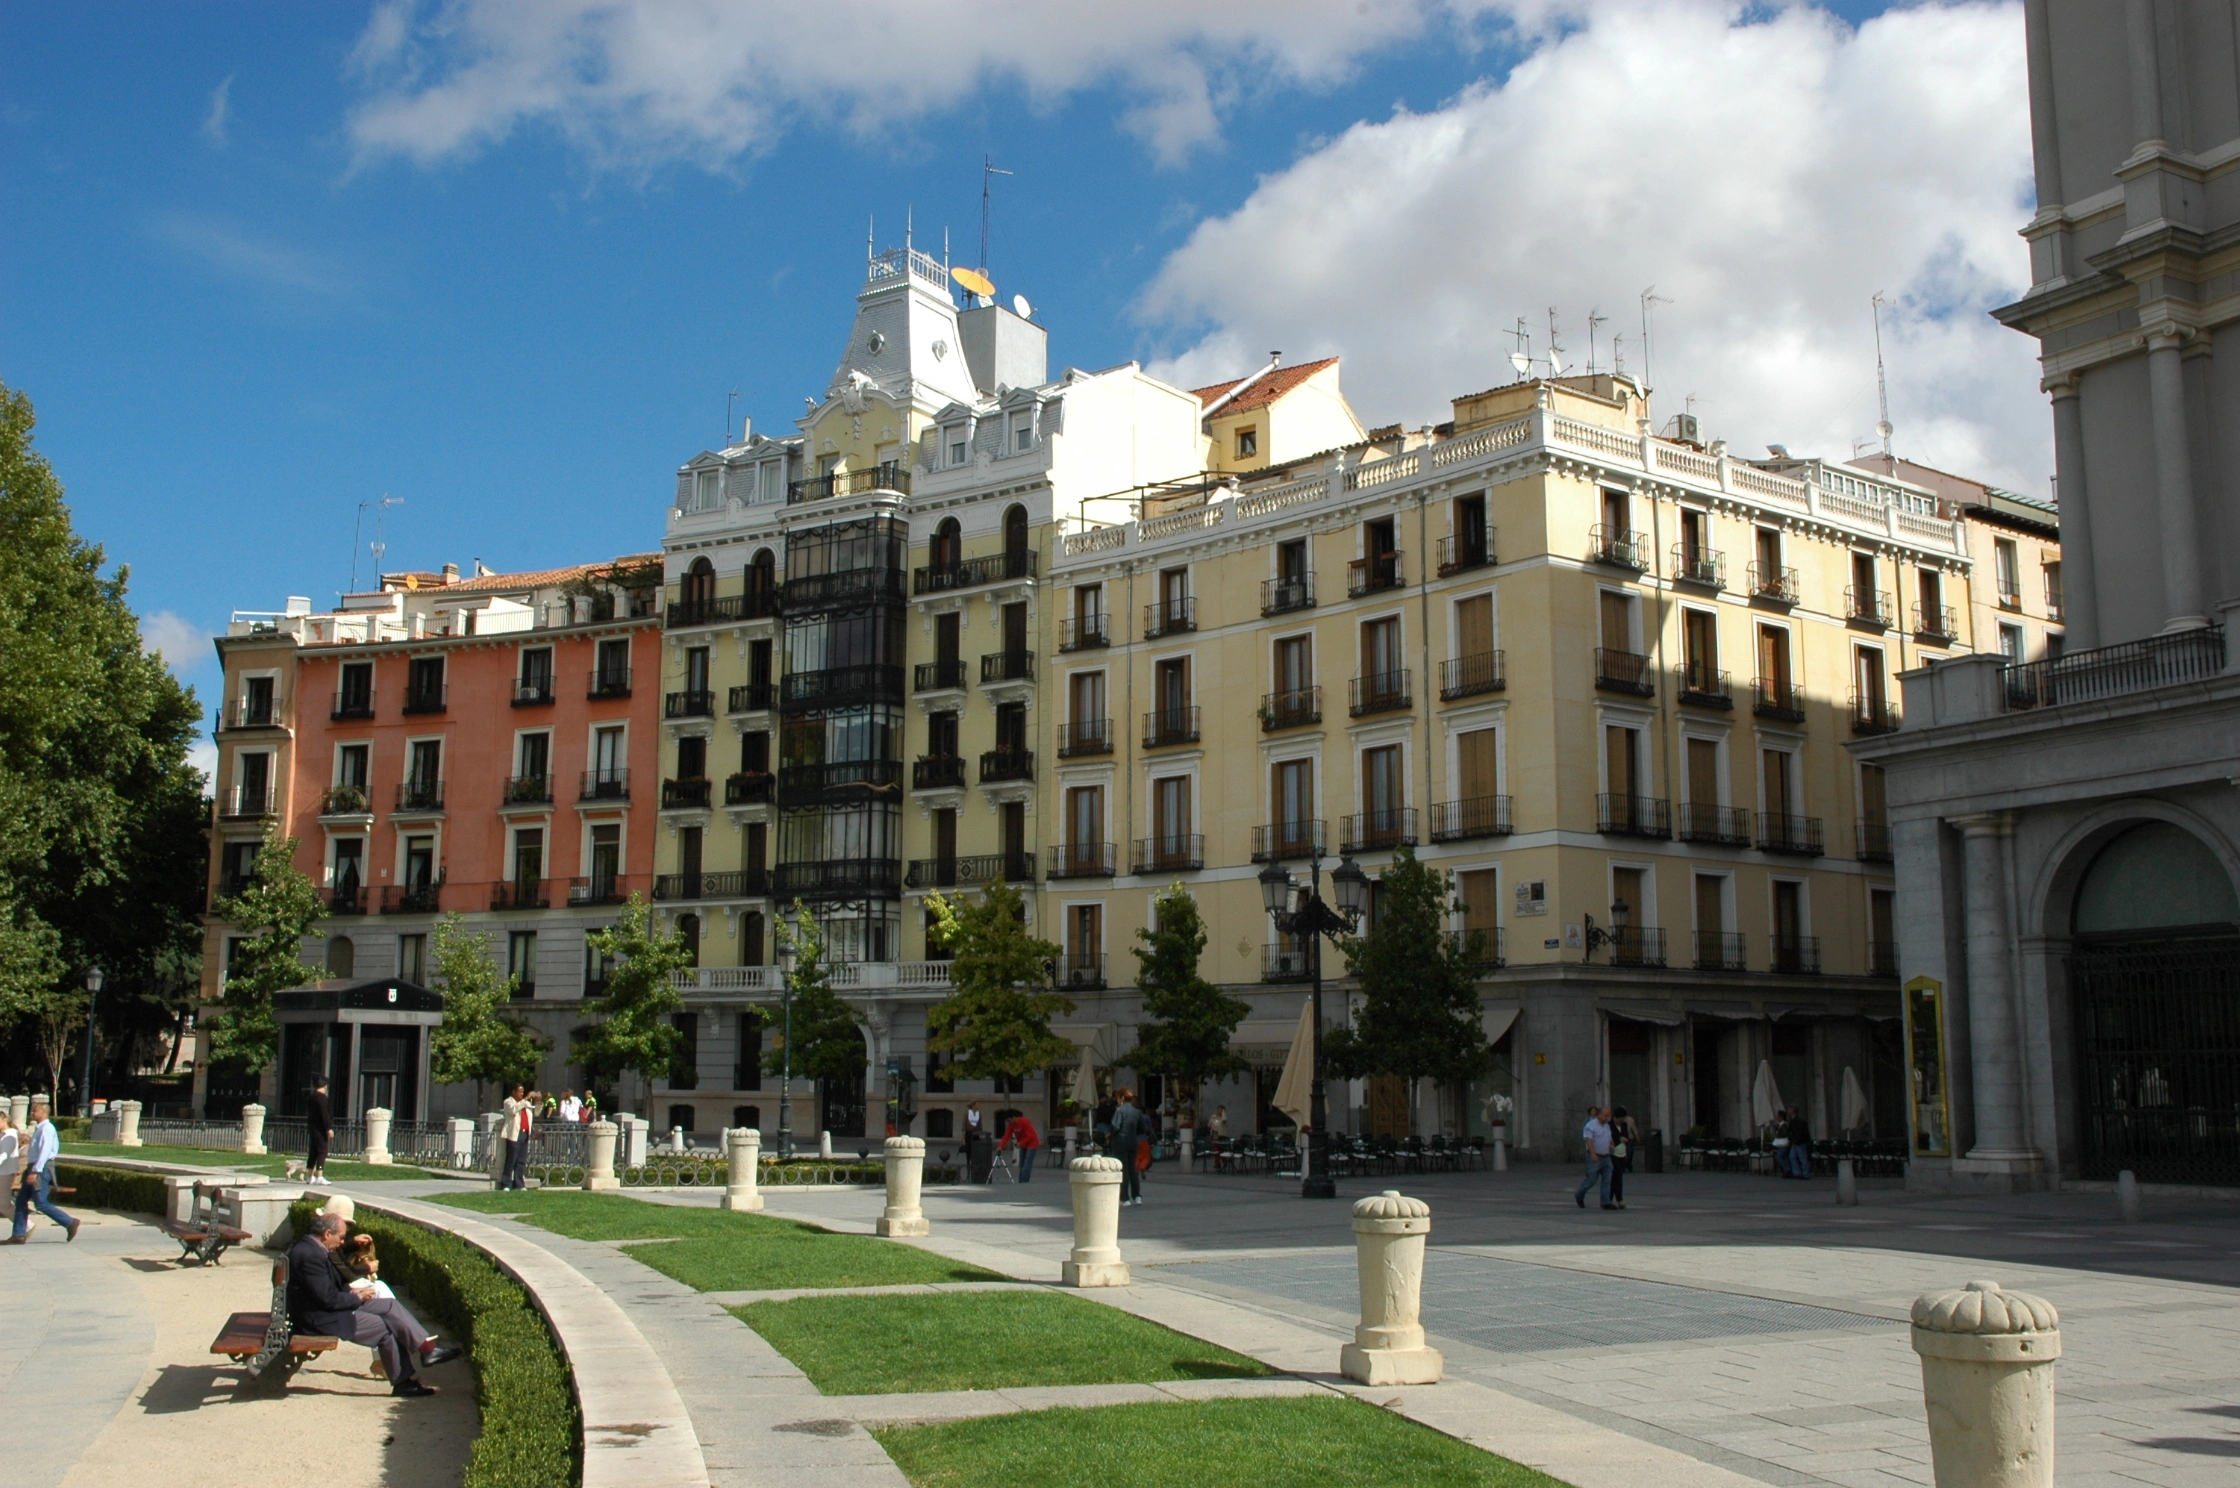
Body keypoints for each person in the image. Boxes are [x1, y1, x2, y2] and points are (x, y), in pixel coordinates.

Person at [288, 1212, 460, 1396]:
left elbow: (327, 1289)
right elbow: (327, 1299)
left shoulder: (313, 1247)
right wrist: (356, 1298)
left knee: (389, 1305)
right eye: (341, 1238)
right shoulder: (310, 1256)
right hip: (320, 1319)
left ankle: (427, 1350)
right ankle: (403, 1382)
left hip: (324, 1309)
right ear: (327, 1234)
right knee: (385, 1328)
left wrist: (355, 1293)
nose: (342, 1242)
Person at [8, 1098, 79, 1243]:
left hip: (40, 1168)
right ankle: (19, 1234)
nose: (32, 1112)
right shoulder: (39, 1128)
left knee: (40, 1202)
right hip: (33, 1167)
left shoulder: (47, 1129)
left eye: (36, 1110)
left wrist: (35, 1171)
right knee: (21, 1201)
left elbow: (45, 1152)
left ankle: (69, 1222)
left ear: (44, 1112)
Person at [1574, 1104, 1615, 1211]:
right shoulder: (1590, 1126)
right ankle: (1579, 1194)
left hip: (1606, 1156)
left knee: (1607, 1180)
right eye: (1605, 1116)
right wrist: (1593, 1153)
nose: (1607, 1118)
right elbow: (1589, 1140)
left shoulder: (1607, 1126)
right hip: (1596, 1156)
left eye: (1608, 1116)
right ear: (1599, 1115)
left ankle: (1605, 1202)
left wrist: (1611, 1145)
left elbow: (1609, 1138)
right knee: (1591, 1180)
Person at [1110, 1088, 1148, 1206]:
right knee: (1133, 1169)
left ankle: (1125, 1198)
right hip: (1133, 1142)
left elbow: (1115, 1127)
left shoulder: (1119, 1111)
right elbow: (1143, 1128)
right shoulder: (1137, 1112)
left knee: (1124, 1170)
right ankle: (1137, 1196)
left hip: (1121, 1142)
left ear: (1121, 1098)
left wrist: (1110, 1134)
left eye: (1117, 1097)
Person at [500, 1084, 534, 1190]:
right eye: (519, 1091)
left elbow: (536, 1112)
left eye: (523, 1092)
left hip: (524, 1133)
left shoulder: (525, 1103)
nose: (521, 1094)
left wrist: (538, 1102)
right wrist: (526, 1099)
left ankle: (519, 1183)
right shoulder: (508, 1102)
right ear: (514, 1092)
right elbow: (513, 1110)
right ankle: (507, 1183)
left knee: (521, 1160)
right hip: (514, 1134)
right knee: (511, 1159)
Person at [1609, 1105, 1640, 1210]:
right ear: (1616, 1117)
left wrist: (1622, 1139)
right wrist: (1619, 1139)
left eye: (1623, 1119)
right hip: (1613, 1154)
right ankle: (1618, 1199)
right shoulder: (1609, 1125)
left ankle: (1613, 1198)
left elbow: (1626, 1137)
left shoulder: (1624, 1125)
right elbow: (1612, 1138)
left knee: (1618, 1177)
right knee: (1616, 1177)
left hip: (1622, 1153)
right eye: (1620, 1119)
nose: (1621, 1121)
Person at [997, 1109, 1042, 1182]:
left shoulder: (1024, 1122)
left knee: (1027, 1163)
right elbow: (1006, 1136)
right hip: (1022, 1144)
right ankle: (1021, 1180)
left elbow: (1031, 1136)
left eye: (1009, 1120)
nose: (1009, 1122)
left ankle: (1024, 1180)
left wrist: (1021, 1143)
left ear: (1014, 1117)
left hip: (1032, 1143)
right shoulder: (1011, 1125)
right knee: (1022, 1164)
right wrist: (1000, 1146)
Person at [305, 1078, 334, 1186]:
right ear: (325, 1086)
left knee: (313, 1151)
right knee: (322, 1151)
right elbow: (325, 1115)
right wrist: (328, 1128)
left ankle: (310, 1176)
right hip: (320, 1129)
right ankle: (320, 1176)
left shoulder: (311, 1097)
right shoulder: (322, 1098)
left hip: (312, 1127)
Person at [1783, 1107, 1813, 1179]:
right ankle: (1797, 1172)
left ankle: (1805, 1174)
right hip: (1796, 1141)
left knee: (1802, 1158)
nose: (1788, 1111)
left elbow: (1797, 1132)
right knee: (1792, 1156)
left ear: (1792, 1111)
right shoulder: (1795, 1120)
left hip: (1799, 1142)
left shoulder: (1797, 1121)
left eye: (1789, 1110)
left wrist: (1794, 1139)